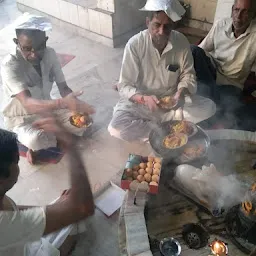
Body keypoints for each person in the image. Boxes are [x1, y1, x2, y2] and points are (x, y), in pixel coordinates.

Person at [108, 0, 216, 142]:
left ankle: (158, 129)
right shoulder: (135, 45)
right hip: (143, 104)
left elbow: (188, 75)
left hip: (172, 103)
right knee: (116, 127)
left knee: (209, 107)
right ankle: (169, 128)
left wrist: (181, 92)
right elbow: (124, 86)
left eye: (167, 27)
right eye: (157, 25)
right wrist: (143, 98)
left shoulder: (181, 41)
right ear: (148, 22)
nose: (161, 32)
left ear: (173, 25)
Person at [1, 14, 94, 164]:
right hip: (22, 118)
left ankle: (55, 138)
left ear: (45, 41)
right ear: (16, 42)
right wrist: (62, 103)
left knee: (84, 122)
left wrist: (75, 104)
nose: (33, 54)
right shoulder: (10, 65)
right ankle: (44, 141)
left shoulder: (50, 54)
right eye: (27, 49)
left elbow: (63, 87)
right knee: (36, 139)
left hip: (47, 108)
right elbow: (28, 102)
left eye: (39, 48)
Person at [0, 117, 94, 256]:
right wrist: (70, 146)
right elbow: (83, 207)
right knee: (75, 215)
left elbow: (12, 211)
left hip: (16, 240)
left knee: (65, 205)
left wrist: (50, 209)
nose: (18, 165)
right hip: (22, 248)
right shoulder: (3, 225)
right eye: (16, 161)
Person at [191, 0, 256, 130]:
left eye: (245, 12)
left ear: (253, 15)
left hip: (231, 84)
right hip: (212, 72)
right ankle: (212, 102)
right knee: (193, 50)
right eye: (236, 10)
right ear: (232, 10)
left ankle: (210, 103)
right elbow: (202, 49)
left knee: (230, 103)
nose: (238, 16)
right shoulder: (220, 24)